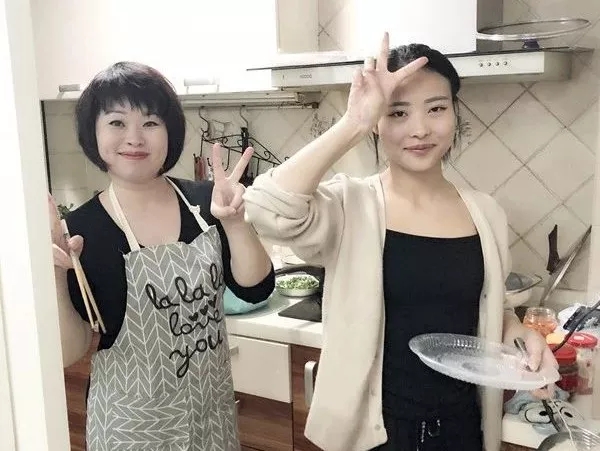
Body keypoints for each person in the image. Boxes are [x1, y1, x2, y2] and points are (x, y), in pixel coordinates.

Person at [243, 33, 557, 451]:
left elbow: (493, 311)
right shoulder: (351, 204)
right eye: (397, 113)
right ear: (378, 123)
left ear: (455, 113)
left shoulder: (486, 214)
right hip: (376, 435)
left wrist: (523, 339)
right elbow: (264, 208)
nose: (420, 129)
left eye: (436, 108)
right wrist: (353, 123)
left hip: (463, 429)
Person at [48, 61, 274, 451]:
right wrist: (54, 270)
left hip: (211, 422)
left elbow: (256, 288)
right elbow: (70, 352)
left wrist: (235, 222)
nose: (134, 138)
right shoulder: (83, 230)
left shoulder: (206, 202)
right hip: (131, 431)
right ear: (93, 133)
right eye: (117, 123)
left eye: (151, 122)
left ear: (170, 131)